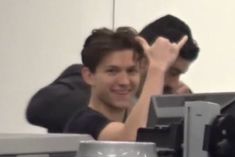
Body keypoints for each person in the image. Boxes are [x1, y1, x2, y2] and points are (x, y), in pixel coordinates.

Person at [26, 14, 199, 133]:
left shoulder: (159, 97)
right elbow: (39, 106)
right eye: (172, 72)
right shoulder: (84, 82)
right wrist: (114, 102)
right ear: (146, 59)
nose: (175, 83)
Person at [63, 26, 188, 141]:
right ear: (89, 76)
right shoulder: (83, 122)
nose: (124, 81)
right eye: (112, 71)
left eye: (131, 71)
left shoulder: (133, 116)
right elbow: (132, 141)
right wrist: (157, 68)